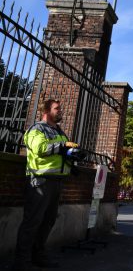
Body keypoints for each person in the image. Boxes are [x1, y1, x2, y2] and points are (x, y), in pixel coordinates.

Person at [13, 99, 79, 271]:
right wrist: (63, 145)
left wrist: (72, 156)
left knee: (48, 221)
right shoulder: (37, 129)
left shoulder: (59, 131)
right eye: (57, 108)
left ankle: (38, 255)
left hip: (57, 181)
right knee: (32, 222)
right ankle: (22, 262)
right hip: (40, 181)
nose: (61, 111)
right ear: (46, 111)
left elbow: (60, 152)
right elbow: (41, 148)